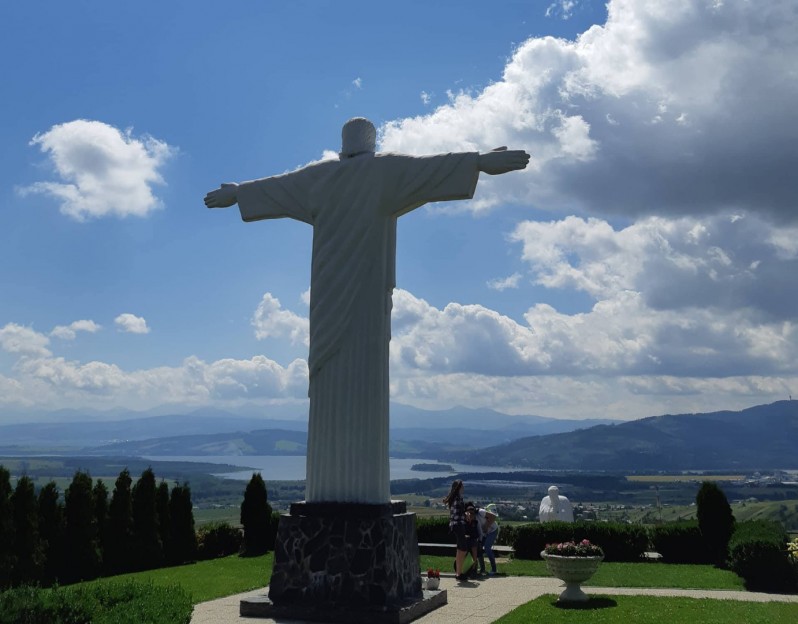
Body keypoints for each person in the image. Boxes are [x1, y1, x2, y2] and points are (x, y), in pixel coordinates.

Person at [205, 118, 530, 505]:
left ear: (342, 146)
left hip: (335, 297)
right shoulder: (383, 170)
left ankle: (327, 493)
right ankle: (358, 494)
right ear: (372, 144)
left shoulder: (321, 177)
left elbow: (278, 187)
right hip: (361, 299)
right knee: (348, 377)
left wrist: (240, 192)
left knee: (337, 375)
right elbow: (430, 168)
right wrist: (476, 161)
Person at [443, 480, 470, 581]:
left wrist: (464, 514)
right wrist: (466, 515)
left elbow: (457, 512)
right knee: (463, 549)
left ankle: (459, 573)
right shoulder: (458, 499)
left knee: (460, 549)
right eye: (462, 486)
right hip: (458, 525)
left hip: (455, 525)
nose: (463, 487)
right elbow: (460, 513)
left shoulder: (454, 498)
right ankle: (459, 573)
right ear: (459, 487)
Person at [475, 504, 500, 575]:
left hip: (493, 530)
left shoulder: (480, 512)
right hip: (484, 534)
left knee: (487, 548)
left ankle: (494, 569)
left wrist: (486, 526)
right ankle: (482, 569)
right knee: (479, 549)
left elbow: (493, 516)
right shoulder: (472, 519)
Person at [463, 503, 481, 578]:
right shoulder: (464, 522)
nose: (471, 514)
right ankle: (464, 570)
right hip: (466, 540)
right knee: (464, 553)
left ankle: (474, 570)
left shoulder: (475, 522)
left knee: (474, 554)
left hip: (473, 540)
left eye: (472, 513)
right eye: (469, 512)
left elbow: (476, 533)